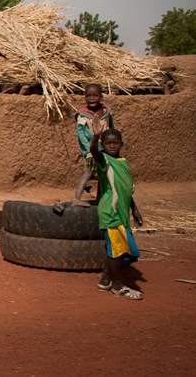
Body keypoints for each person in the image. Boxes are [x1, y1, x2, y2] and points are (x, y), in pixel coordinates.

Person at [79, 118, 144, 299]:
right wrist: (95, 137)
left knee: (113, 248)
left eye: (115, 143)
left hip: (122, 211)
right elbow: (94, 151)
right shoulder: (104, 160)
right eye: (108, 143)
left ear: (121, 144)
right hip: (111, 211)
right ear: (103, 145)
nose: (112, 146)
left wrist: (135, 210)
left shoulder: (123, 162)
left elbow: (126, 190)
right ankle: (118, 286)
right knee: (117, 250)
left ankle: (105, 280)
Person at [72, 83, 115, 203]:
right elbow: (81, 134)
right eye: (88, 95)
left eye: (95, 95)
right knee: (88, 171)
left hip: (104, 149)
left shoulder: (106, 112)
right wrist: (88, 152)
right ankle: (77, 198)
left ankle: (99, 199)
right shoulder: (82, 114)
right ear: (85, 97)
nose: (92, 98)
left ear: (101, 96)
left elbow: (111, 128)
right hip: (91, 149)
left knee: (103, 174)